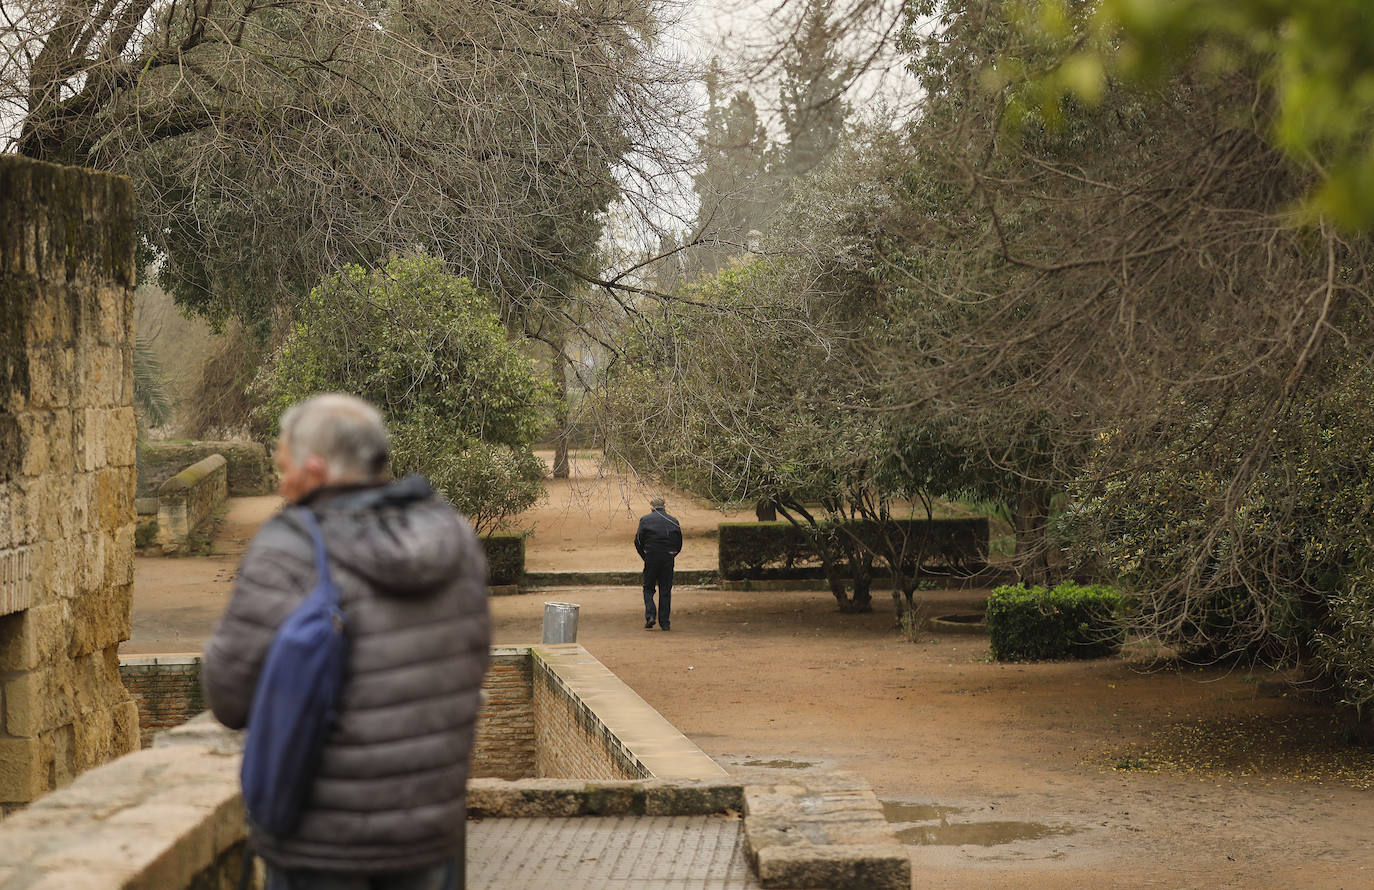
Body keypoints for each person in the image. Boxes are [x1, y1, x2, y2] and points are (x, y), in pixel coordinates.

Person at [202, 393, 490, 890]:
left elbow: (229, 697)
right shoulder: (455, 538)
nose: (279, 479)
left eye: (283, 464)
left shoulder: (289, 547)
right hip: (427, 838)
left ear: (314, 468)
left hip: (321, 848)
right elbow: (472, 664)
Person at [634, 496, 681, 631]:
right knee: (665, 590)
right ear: (664, 507)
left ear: (651, 507)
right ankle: (665, 622)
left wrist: (646, 556)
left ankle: (650, 616)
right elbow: (679, 543)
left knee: (648, 588)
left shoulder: (645, 520)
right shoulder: (673, 520)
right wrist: (672, 555)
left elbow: (638, 541)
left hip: (651, 556)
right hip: (668, 557)